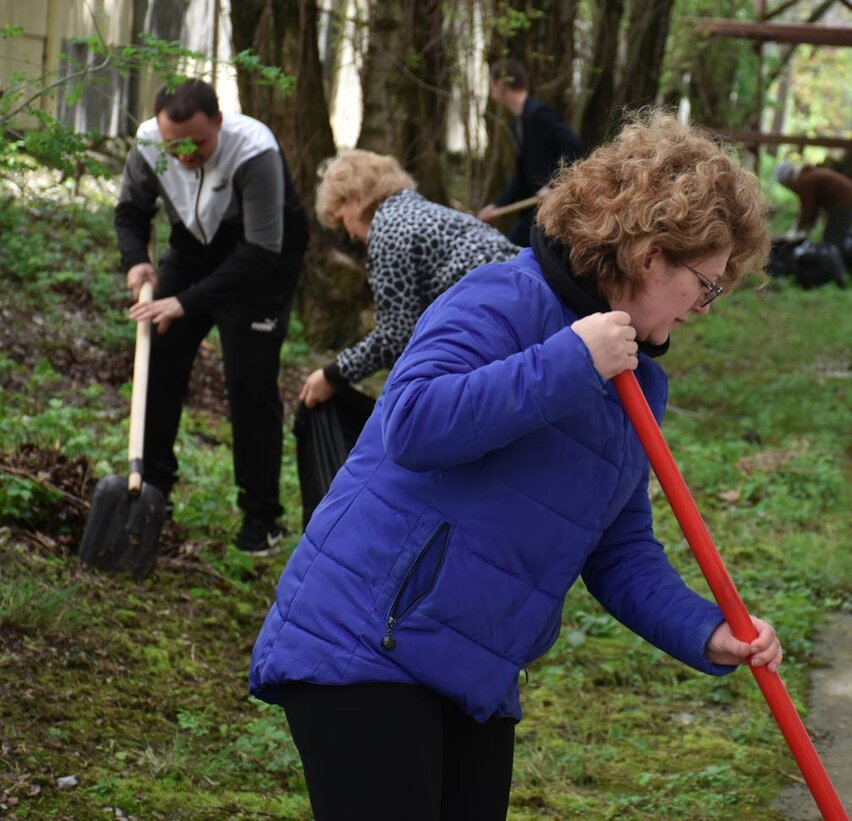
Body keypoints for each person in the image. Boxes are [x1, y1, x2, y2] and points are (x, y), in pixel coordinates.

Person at [249, 112, 779, 819]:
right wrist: (571, 362)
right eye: (707, 284)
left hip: (474, 669)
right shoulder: (504, 297)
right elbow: (412, 421)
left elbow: (618, 550)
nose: (706, 307)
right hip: (366, 642)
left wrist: (705, 628)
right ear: (653, 254)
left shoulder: (638, 382)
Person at [114, 79, 308, 555]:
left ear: (219, 122)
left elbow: (262, 251)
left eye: (197, 143)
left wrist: (185, 302)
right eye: (173, 144)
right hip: (192, 249)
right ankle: (153, 493)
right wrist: (136, 258)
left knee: (250, 383)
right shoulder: (149, 144)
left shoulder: (254, 151)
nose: (183, 155)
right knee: (159, 360)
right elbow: (130, 212)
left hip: (262, 260)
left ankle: (261, 517)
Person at [299, 150, 519, 408]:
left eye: (341, 218)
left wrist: (332, 375)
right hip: (524, 315)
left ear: (355, 200)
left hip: (496, 332)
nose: (349, 234)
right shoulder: (423, 212)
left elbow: (395, 336)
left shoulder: (388, 228)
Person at [477, 58, 583, 247]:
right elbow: (521, 178)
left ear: (502, 85)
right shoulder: (518, 123)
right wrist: (497, 205)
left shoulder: (538, 114)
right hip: (537, 211)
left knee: (509, 248)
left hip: (553, 211)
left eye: (492, 84)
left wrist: (552, 186)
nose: (492, 93)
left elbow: (573, 147)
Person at [774, 160, 852, 247]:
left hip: (846, 202)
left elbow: (808, 209)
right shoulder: (805, 176)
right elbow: (812, 208)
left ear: (788, 180)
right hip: (848, 200)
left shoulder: (804, 181)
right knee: (833, 236)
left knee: (832, 239)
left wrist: (797, 231)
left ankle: (835, 259)